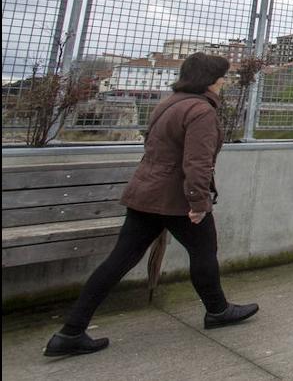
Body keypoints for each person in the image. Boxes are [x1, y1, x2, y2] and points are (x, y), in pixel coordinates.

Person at [44, 53, 259, 357]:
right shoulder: (200, 111)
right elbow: (197, 163)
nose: (225, 82)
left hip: (145, 192)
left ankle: (70, 331)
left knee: (118, 261)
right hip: (175, 198)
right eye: (223, 77)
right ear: (210, 80)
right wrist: (198, 202)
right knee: (204, 252)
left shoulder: (169, 102)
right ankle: (218, 311)